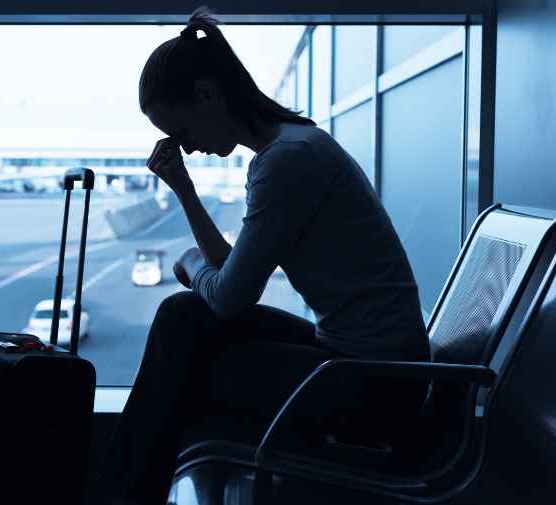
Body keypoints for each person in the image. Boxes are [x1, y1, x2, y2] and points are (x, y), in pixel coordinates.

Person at [89, 10, 431, 505]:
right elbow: (233, 279)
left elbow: (229, 298)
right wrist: (184, 191)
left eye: (181, 129)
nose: (185, 146)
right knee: (184, 319)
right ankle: (128, 494)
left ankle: (121, 495)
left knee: (188, 352)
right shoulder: (293, 145)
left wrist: (189, 264)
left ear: (208, 95)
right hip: (358, 362)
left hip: (374, 388)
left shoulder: (288, 161)